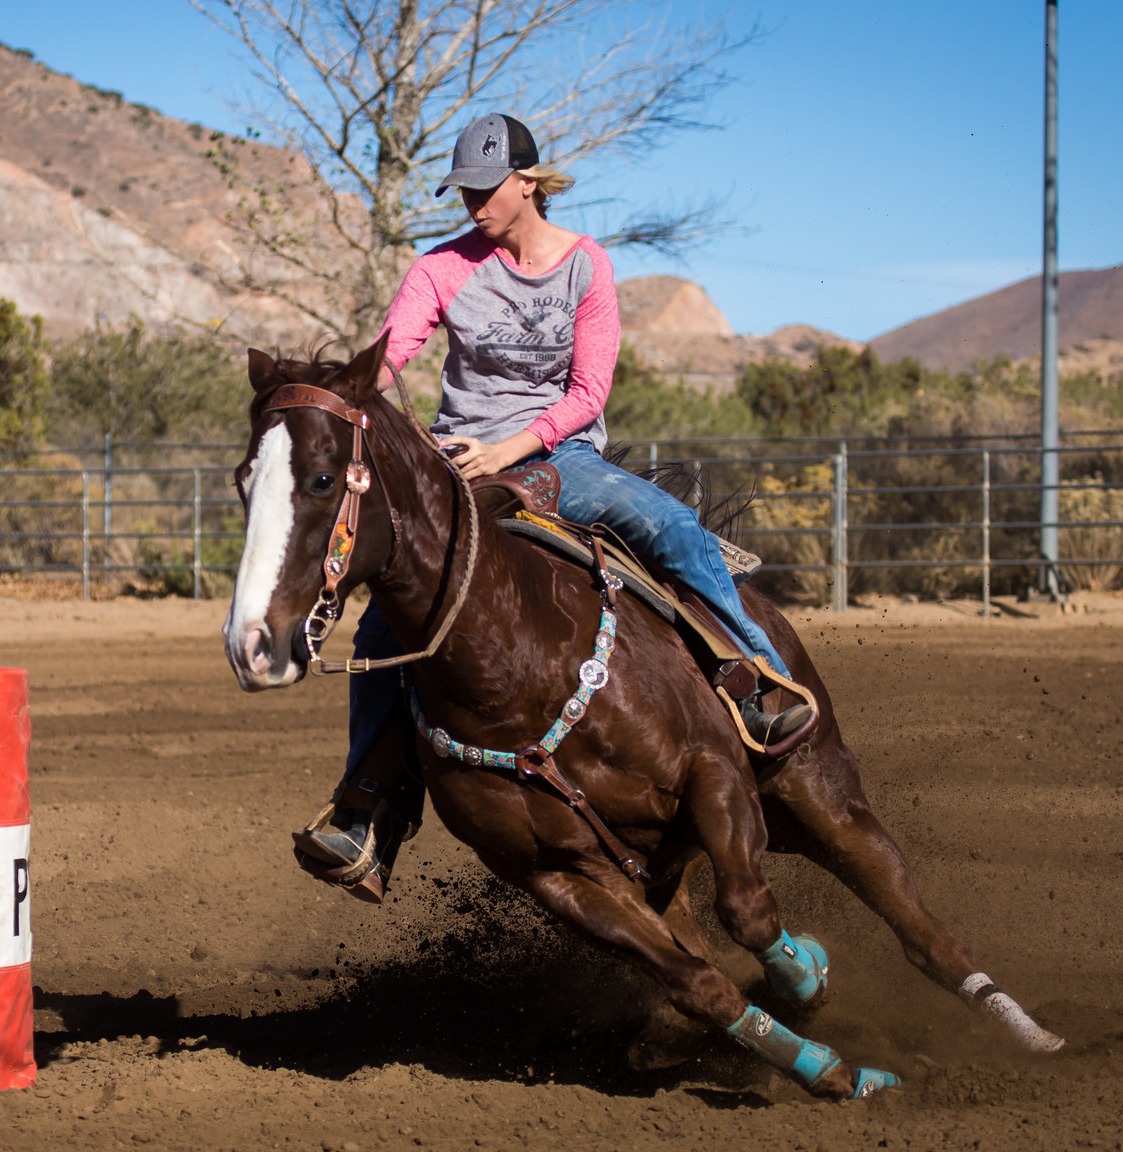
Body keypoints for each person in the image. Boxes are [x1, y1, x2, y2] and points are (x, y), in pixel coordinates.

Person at [294, 113, 814, 900]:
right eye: (464, 191)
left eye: (487, 189)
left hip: (560, 456)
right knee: (382, 626)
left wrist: (511, 447)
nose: (473, 204)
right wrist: (345, 390)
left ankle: (761, 682)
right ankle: (369, 808)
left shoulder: (585, 266)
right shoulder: (440, 268)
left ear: (529, 184)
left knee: (672, 527)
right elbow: (390, 354)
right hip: (459, 465)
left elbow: (588, 393)